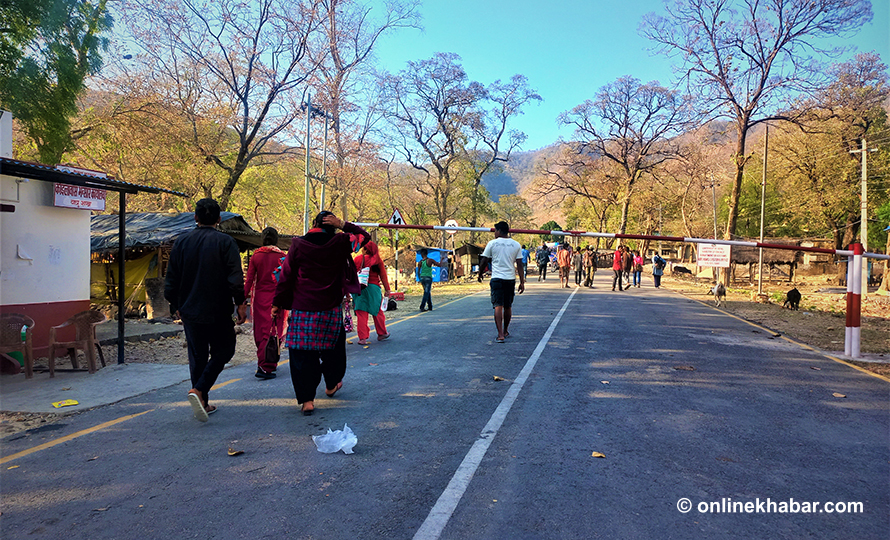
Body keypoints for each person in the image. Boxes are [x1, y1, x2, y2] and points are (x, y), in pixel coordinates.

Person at [272, 211, 370, 416]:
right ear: (333, 226)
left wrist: (277, 303)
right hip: (330, 307)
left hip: (302, 307)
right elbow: (364, 237)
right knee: (333, 350)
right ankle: (331, 384)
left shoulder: (298, 245)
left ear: (314, 223)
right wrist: (344, 224)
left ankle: (307, 400)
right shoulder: (341, 241)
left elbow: (287, 277)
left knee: (301, 354)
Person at [164, 198, 247, 422]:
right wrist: (240, 303)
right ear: (219, 219)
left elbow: (171, 279)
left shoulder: (181, 242)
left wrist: (175, 305)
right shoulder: (226, 242)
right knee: (225, 350)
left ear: (196, 218)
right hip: (218, 309)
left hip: (190, 309)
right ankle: (200, 391)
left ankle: (202, 398)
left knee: (197, 355)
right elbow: (235, 278)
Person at [244, 227, 287, 380]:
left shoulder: (256, 256)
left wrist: (242, 299)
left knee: (261, 332)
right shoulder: (282, 257)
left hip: (260, 300)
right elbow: (286, 281)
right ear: (276, 239)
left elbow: (249, 280)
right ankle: (268, 365)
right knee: (274, 331)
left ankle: (263, 363)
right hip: (278, 300)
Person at [478, 221, 525, 343]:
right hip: (510, 279)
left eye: (495, 231)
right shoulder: (516, 245)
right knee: (508, 306)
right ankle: (505, 330)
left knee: (498, 306)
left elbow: (484, 260)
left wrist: (480, 274)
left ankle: (500, 335)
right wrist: (522, 281)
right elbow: (520, 264)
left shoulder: (492, 243)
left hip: (497, 279)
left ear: (498, 231)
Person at [352, 240, 391, 345]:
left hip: (360, 288)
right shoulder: (377, 260)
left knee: (361, 312)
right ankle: (382, 333)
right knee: (377, 311)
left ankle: (362, 338)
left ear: (365, 250)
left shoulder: (357, 259)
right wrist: (387, 289)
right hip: (374, 289)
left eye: (362, 248)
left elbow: (351, 274)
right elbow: (383, 276)